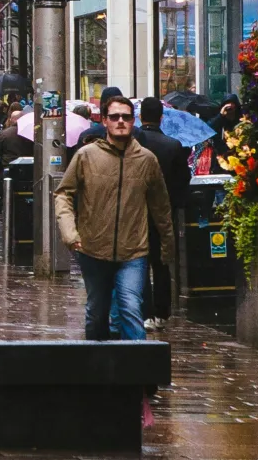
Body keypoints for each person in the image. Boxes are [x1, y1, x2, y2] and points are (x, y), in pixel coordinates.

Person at [53, 93, 173, 342]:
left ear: (133, 121)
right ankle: (97, 370)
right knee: (97, 313)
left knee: (130, 308)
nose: (120, 121)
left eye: (126, 117)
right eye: (114, 116)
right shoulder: (87, 156)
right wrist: (69, 231)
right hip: (93, 248)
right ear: (105, 121)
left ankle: (138, 375)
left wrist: (166, 245)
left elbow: (161, 206)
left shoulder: (146, 160)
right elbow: (63, 194)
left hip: (133, 252)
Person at [134, 97, 192, 329]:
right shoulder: (173, 145)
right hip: (164, 213)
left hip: (137, 211)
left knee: (139, 261)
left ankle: (145, 311)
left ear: (140, 117)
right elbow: (182, 181)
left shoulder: (134, 144)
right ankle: (162, 311)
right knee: (161, 262)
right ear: (161, 117)